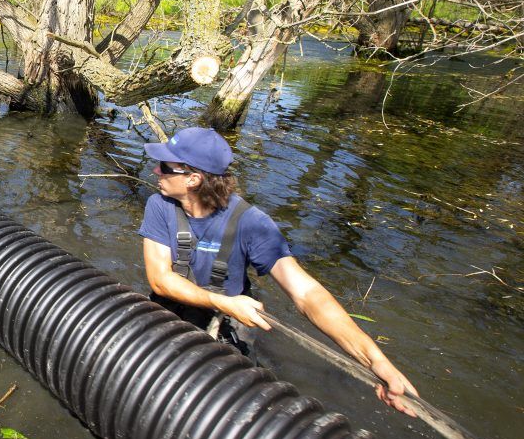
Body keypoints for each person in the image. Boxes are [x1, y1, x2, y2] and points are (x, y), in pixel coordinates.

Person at [139, 126, 419, 416]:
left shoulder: (252, 224)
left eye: (165, 167)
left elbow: (308, 294)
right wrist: (221, 301)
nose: (156, 171)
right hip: (181, 308)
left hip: (226, 320)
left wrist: (374, 360)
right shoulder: (159, 205)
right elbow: (160, 280)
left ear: (193, 179)